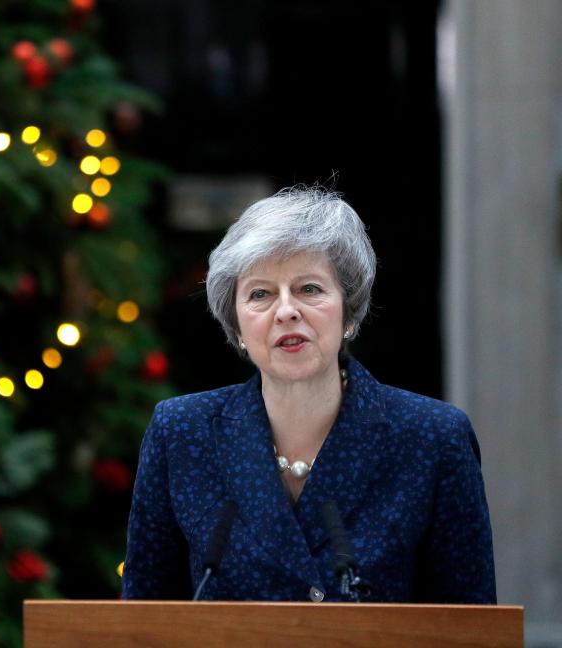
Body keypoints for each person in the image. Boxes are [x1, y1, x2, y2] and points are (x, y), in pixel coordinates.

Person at [121, 186, 496, 603]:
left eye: (309, 289)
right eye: (260, 294)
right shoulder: (182, 433)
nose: (286, 311)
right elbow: (144, 615)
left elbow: (470, 625)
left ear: (349, 313)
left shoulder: (434, 437)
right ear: (239, 328)